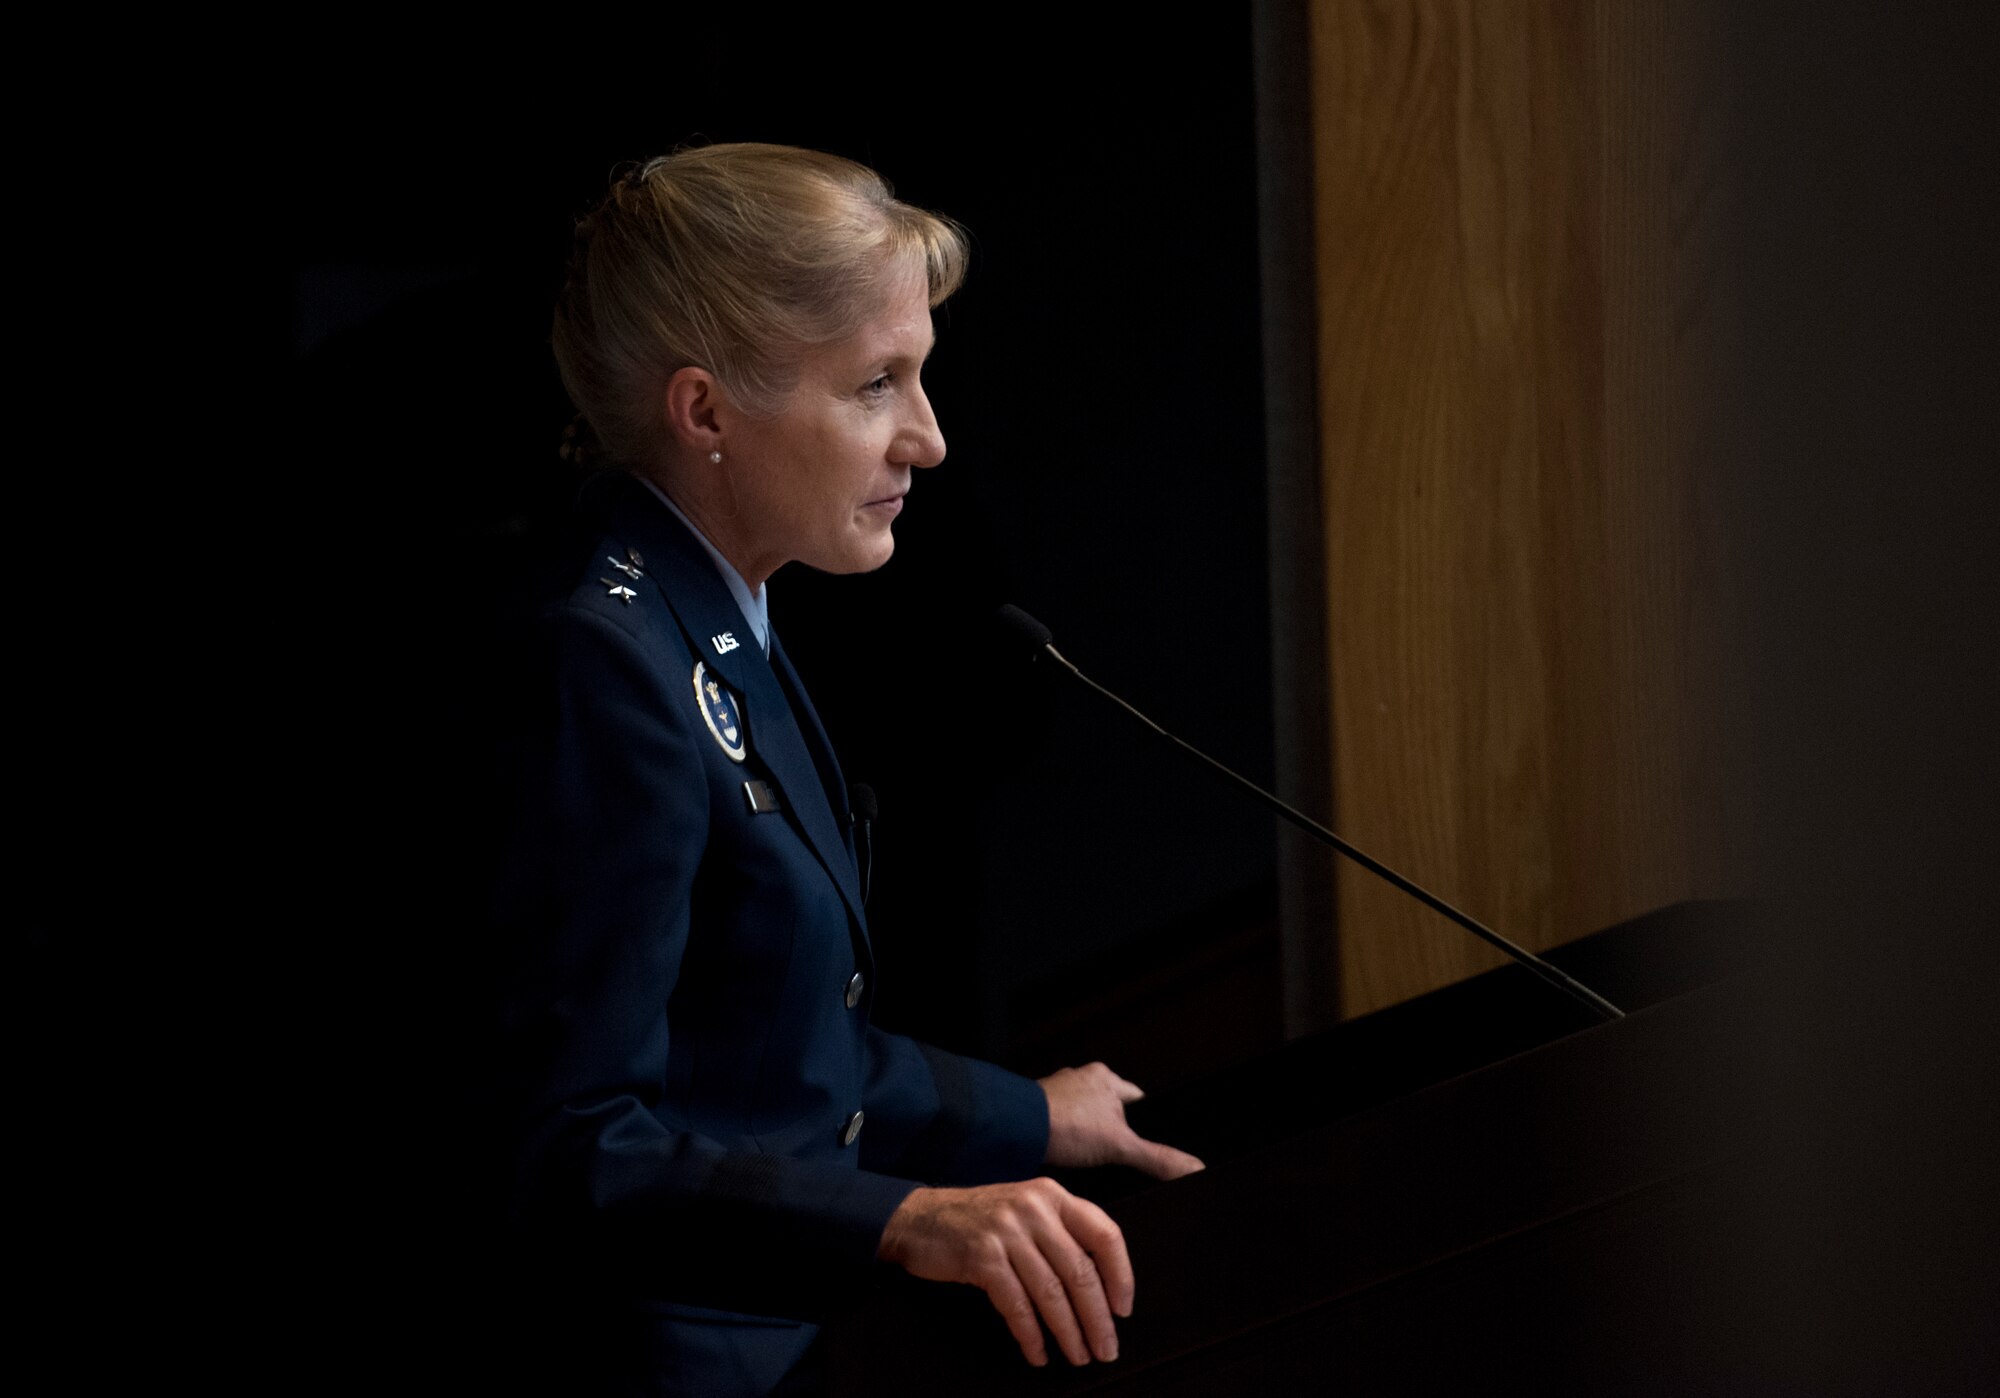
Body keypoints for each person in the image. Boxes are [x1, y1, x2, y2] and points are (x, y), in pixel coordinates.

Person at [497, 143, 1203, 1396]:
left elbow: (768, 1047)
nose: (926, 440)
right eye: (877, 384)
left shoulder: (713, 609)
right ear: (705, 411)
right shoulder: (601, 662)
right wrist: (900, 1219)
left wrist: (1028, 1116)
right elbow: (573, 1145)